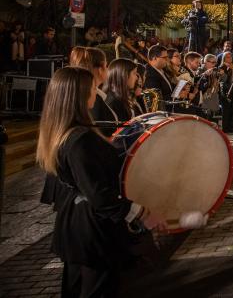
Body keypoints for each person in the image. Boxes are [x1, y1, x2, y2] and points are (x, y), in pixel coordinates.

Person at [35, 67, 166, 297]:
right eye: (92, 88)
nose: (96, 91)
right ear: (79, 95)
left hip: (75, 227)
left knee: (76, 289)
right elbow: (100, 196)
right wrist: (142, 214)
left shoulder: (64, 132)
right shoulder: (80, 140)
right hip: (90, 232)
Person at [70, 47, 119, 136]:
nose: (108, 69)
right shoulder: (93, 100)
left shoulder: (88, 96)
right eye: (106, 65)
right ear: (100, 70)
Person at [103, 58, 139, 124]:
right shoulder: (113, 102)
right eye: (134, 73)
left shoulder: (122, 96)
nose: (136, 77)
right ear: (124, 76)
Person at [218, 52, 233, 133]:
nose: (229, 58)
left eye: (230, 57)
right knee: (226, 110)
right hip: (225, 90)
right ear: (224, 58)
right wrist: (227, 69)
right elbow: (223, 80)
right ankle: (225, 128)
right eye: (227, 57)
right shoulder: (221, 67)